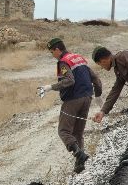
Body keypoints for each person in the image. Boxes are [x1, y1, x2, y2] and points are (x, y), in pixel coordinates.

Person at [38, 38, 102, 173]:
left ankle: (78, 154)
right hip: (87, 98)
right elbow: (95, 78)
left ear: (57, 49)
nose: (52, 55)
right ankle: (80, 165)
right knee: (78, 132)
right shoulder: (79, 58)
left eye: (51, 52)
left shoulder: (63, 62)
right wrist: (98, 95)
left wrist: (50, 87)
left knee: (64, 131)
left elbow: (69, 80)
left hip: (73, 99)